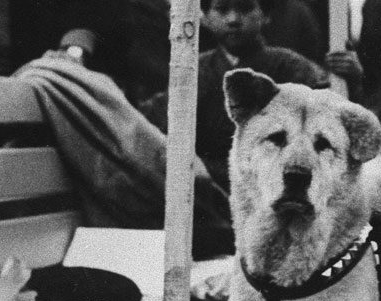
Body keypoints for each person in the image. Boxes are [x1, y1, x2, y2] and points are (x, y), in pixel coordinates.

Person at [143, 0, 364, 192]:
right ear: (206, 16)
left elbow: (335, 111)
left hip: (276, 186)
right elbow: (156, 119)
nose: (233, 19)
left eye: (245, 8)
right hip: (208, 190)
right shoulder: (195, 68)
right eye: (221, 9)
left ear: (266, 15)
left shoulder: (290, 65)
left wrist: (350, 81)